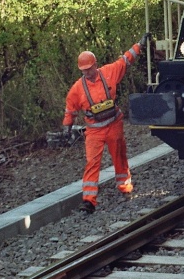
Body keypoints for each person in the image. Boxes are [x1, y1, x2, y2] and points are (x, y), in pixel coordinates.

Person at [63, 33, 149, 214]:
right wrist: (67, 126)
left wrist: (139, 45)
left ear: (95, 64)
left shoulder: (109, 72)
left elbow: (125, 60)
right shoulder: (77, 89)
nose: (87, 72)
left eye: (89, 68)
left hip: (114, 125)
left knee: (119, 156)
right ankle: (89, 200)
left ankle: (125, 187)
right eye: (84, 70)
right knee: (92, 162)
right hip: (94, 131)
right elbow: (70, 108)